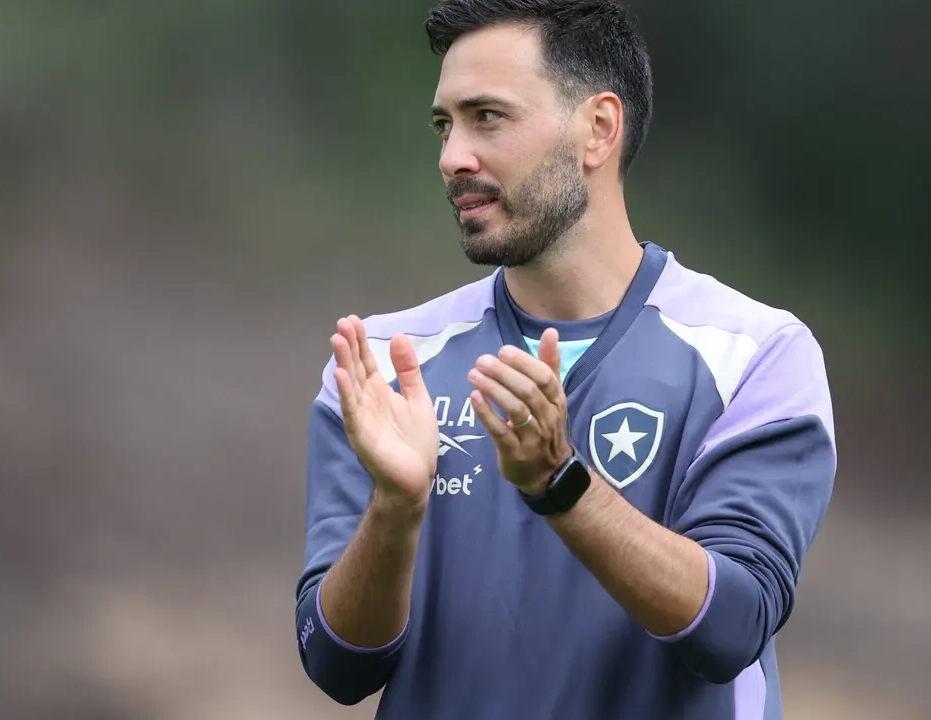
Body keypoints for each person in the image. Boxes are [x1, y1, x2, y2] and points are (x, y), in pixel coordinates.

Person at [294, 1, 836, 718]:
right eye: (445, 124)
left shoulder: (754, 356)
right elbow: (336, 664)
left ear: (598, 129)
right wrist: (395, 510)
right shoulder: (384, 367)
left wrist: (561, 484)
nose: (453, 156)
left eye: (488, 116)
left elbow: (732, 626)